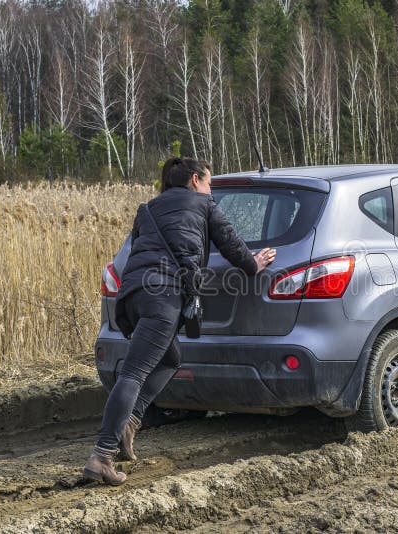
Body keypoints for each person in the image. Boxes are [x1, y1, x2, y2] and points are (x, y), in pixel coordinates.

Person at [83, 157, 276, 485]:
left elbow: (138, 251)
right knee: (133, 372)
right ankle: (101, 456)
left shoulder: (149, 208)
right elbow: (230, 242)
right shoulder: (203, 205)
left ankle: (130, 422)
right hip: (163, 296)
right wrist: (253, 265)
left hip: (130, 296)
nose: (210, 189)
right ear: (195, 180)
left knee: (170, 358)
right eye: (209, 183)